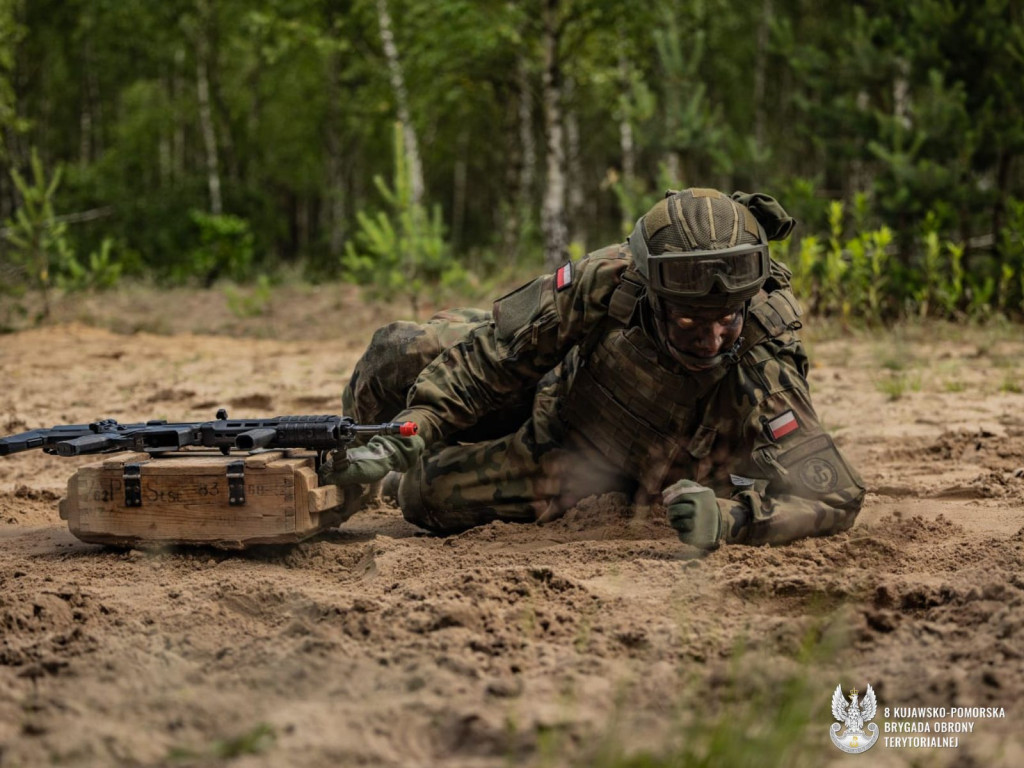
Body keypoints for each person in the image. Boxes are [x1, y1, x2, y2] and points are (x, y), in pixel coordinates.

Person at [320, 187, 865, 550]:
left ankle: (396, 477)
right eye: (688, 323)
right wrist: (411, 427)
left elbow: (834, 494)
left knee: (422, 494)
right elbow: (496, 354)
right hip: (557, 389)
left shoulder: (762, 361)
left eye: (726, 319)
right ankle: (356, 463)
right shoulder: (611, 277)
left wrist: (733, 518)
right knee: (394, 352)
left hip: (595, 467)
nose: (711, 337)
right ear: (654, 295)